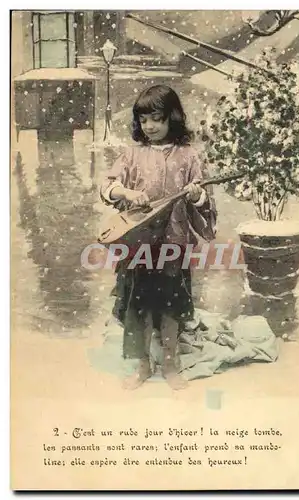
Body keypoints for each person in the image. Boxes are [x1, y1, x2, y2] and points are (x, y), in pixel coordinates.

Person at [100, 85, 217, 390]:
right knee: (137, 306)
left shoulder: (190, 156)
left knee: (170, 307)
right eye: (143, 120)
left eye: (157, 119)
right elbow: (107, 186)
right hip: (136, 245)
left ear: (172, 119)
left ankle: (171, 364)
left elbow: (207, 204)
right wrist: (125, 192)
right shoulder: (132, 154)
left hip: (173, 244)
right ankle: (141, 365)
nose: (149, 126)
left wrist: (196, 196)